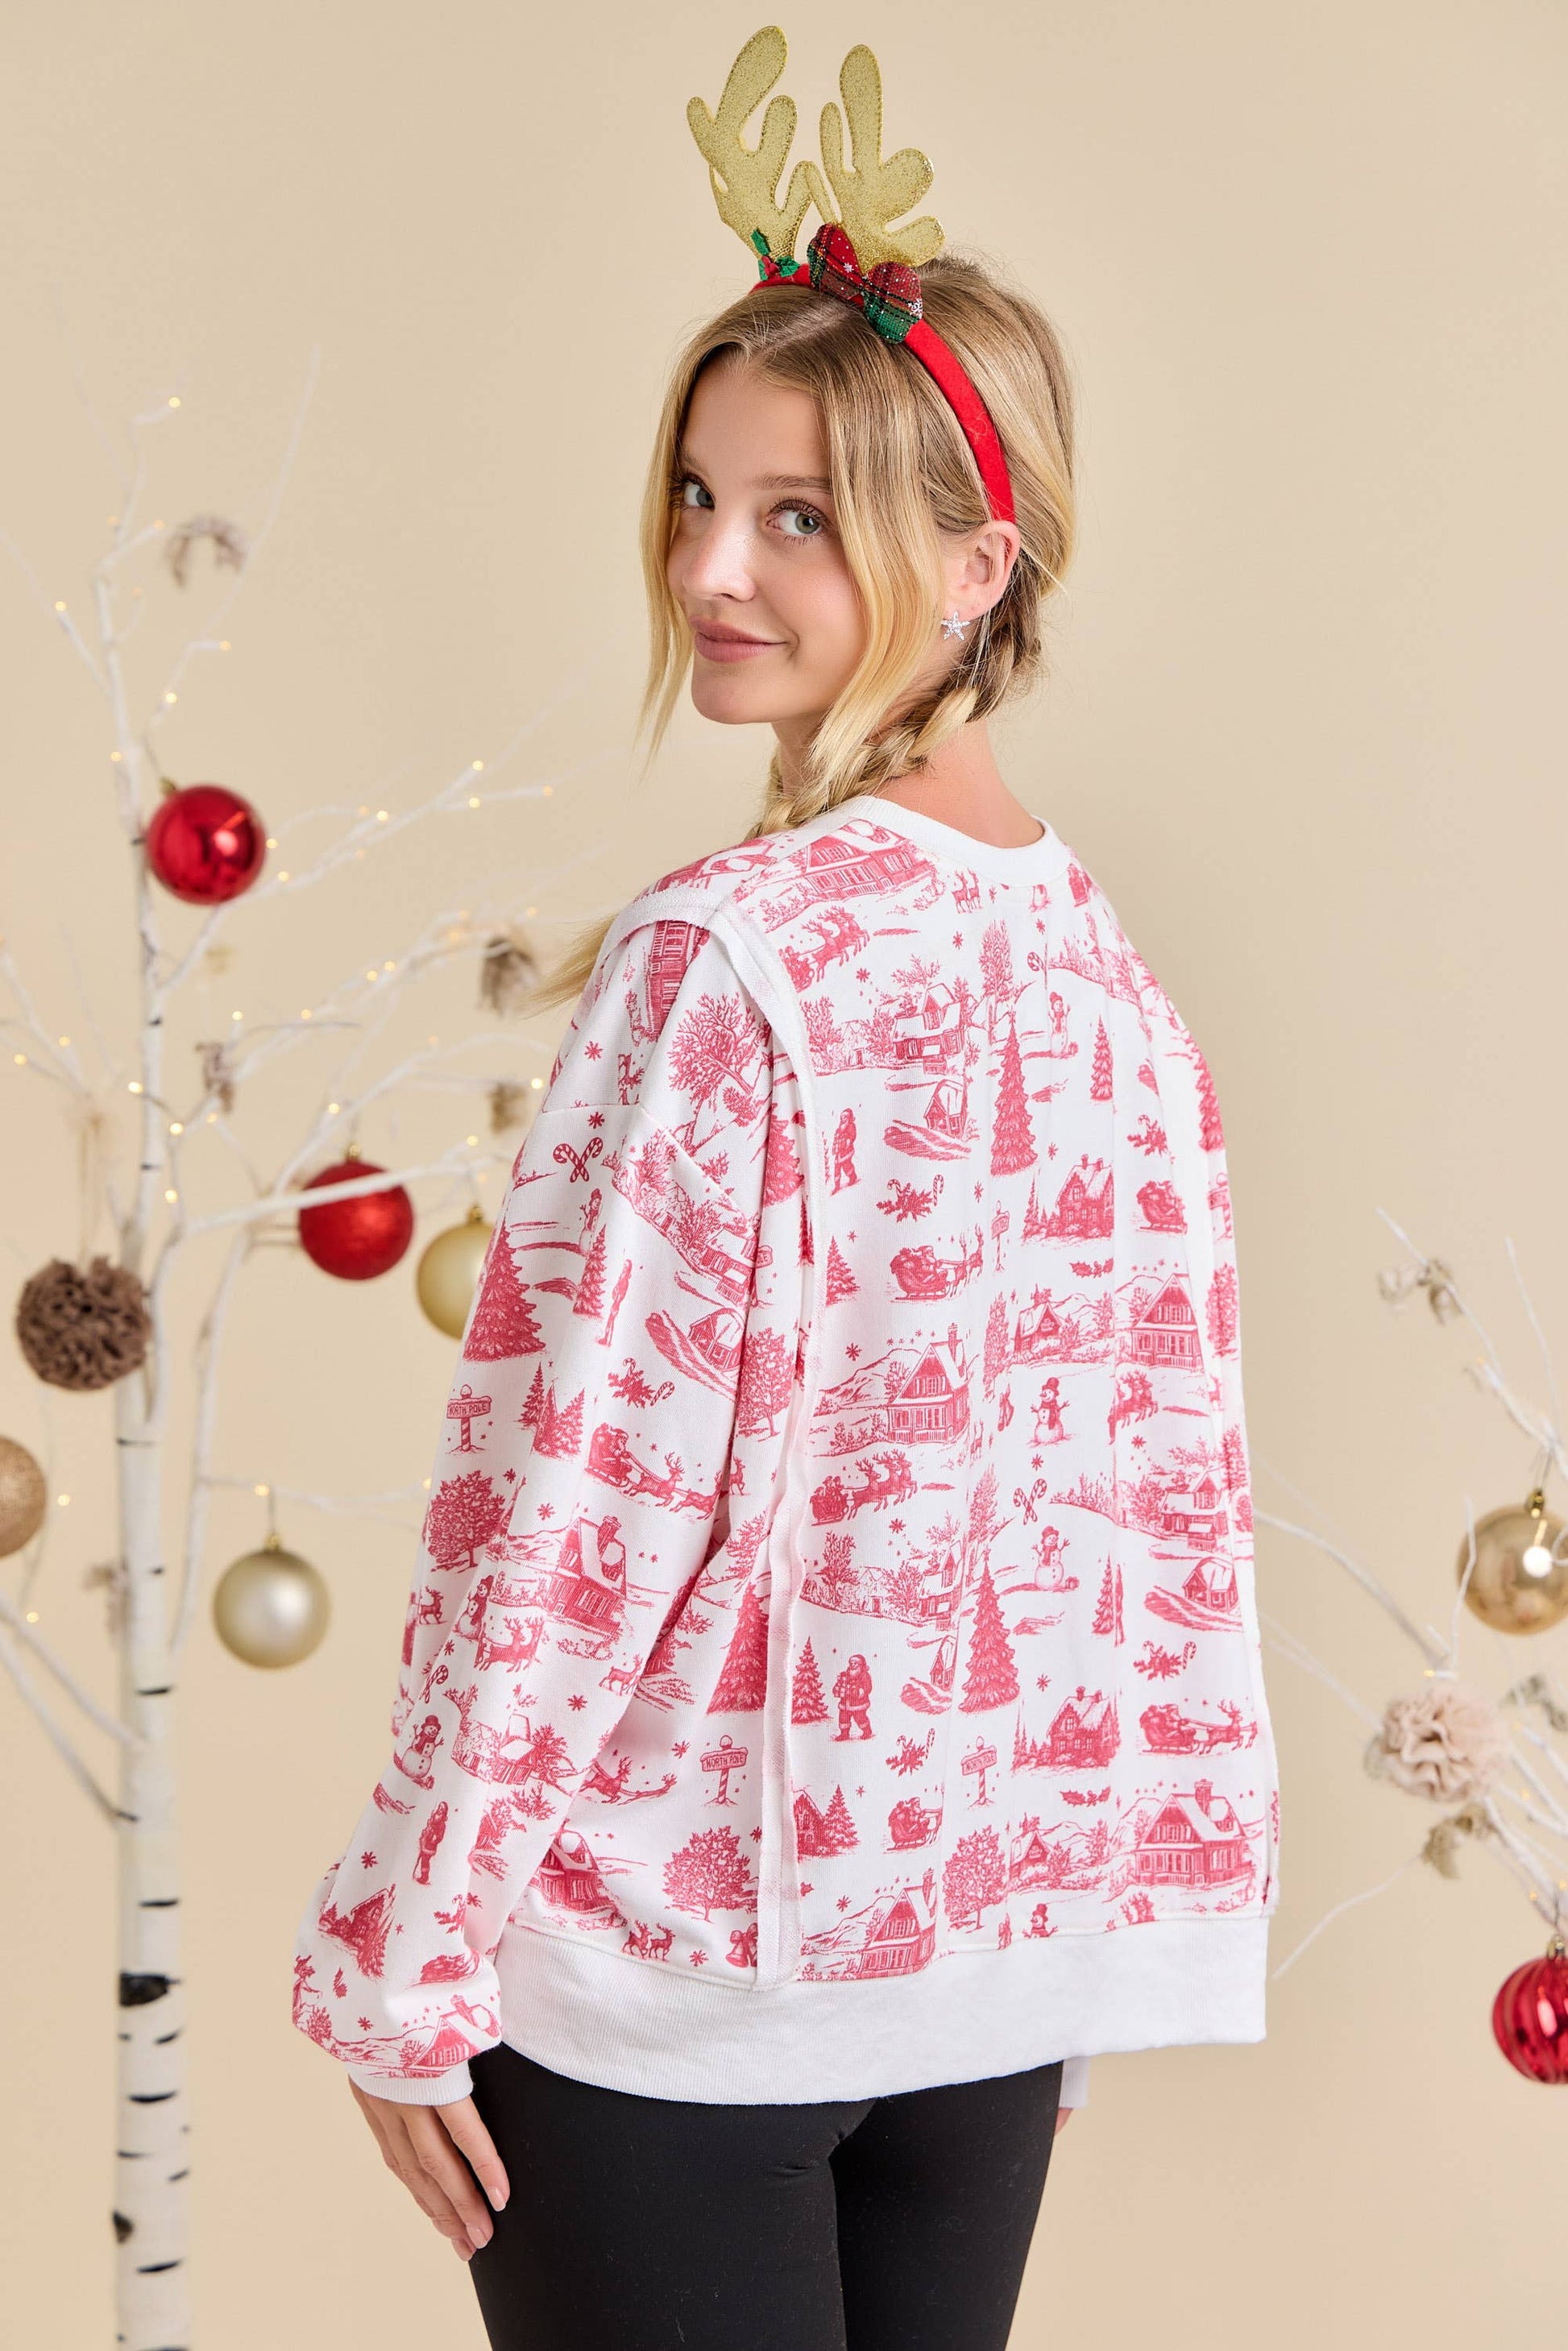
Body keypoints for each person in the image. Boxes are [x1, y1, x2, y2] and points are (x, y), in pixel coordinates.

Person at [292, 30, 1281, 2350]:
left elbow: (573, 1495)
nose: (710, 569)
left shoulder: (727, 961)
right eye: (697, 494)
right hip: (980, 1985)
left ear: (976, 564)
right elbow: (1143, 1512)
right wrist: (1069, 1922)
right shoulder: (1105, 971)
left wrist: (405, 1940)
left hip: (679, 1989)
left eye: (800, 516)